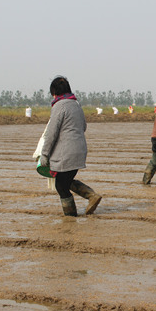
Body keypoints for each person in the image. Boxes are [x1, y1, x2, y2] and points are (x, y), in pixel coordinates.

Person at [39, 76, 102, 216]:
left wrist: (44, 154)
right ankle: (91, 196)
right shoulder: (76, 104)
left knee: (61, 186)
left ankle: (71, 216)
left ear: (54, 92)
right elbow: (83, 127)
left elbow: (51, 132)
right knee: (66, 181)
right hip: (80, 150)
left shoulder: (59, 106)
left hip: (66, 153)